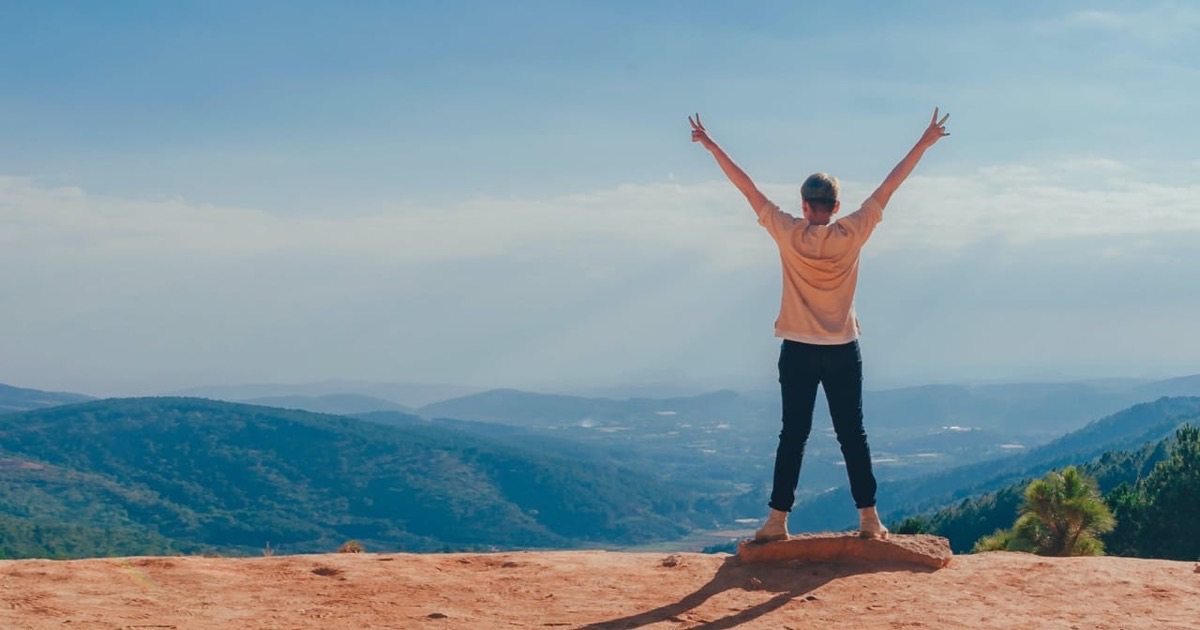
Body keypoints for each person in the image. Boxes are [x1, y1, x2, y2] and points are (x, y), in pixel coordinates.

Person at [689, 109, 950, 541]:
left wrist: (712, 145)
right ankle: (869, 520)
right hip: (843, 347)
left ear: (805, 206)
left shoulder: (787, 232)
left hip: (798, 348)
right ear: (837, 207)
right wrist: (924, 141)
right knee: (853, 434)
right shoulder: (854, 231)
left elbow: (747, 189)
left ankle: (777, 521)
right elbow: (890, 185)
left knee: (793, 434)